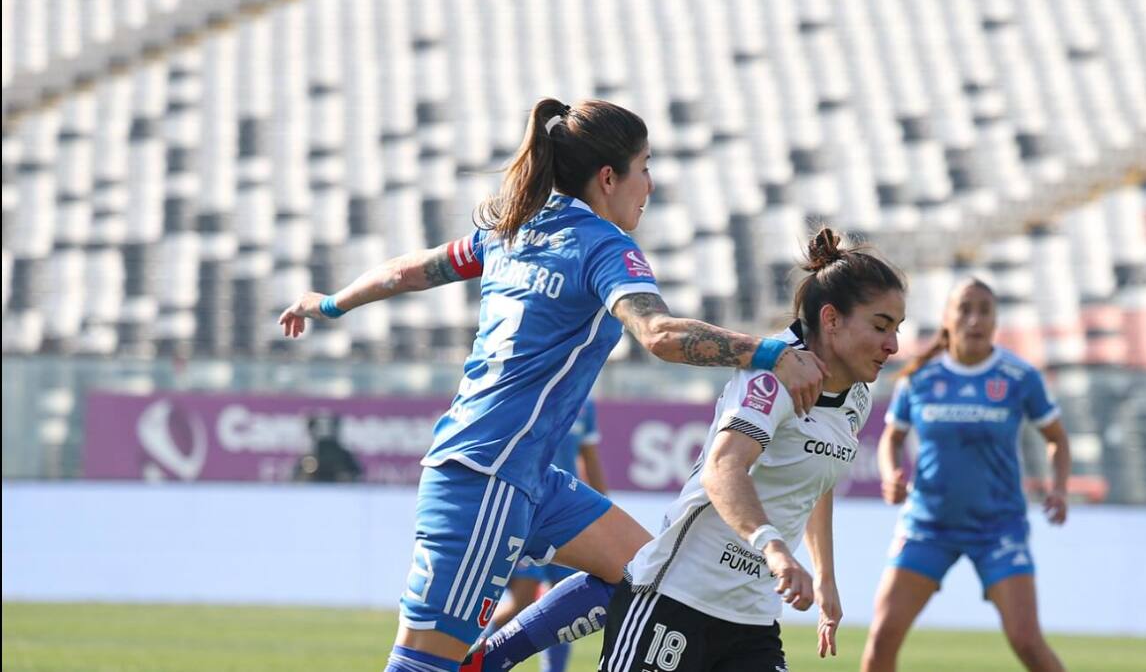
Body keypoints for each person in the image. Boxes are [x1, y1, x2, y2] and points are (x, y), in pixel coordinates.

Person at [278, 98, 827, 672]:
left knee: (652, 579)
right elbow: (660, 335)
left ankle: (485, 663)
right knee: (419, 666)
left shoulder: (513, 227)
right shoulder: (603, 246)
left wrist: (333, 303)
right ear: (608, 177)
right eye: (645, 167)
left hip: (529, 476)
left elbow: (407, 271)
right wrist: (770, 353)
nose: (652, 184)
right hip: (485, 474)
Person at [595, 229, 905, 671]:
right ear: (832, 319)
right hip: (675, 598)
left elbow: (815, 478)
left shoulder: (856, 397)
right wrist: (776, 550)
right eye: (880, 326)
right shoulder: (771, 373)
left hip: (751, 620)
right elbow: (723, 470)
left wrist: (826, 579)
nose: (892, 345)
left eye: (896, 329)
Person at [860, 278, 1071, 672]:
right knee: (881, 640)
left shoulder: (1019, 377)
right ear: (946, 318)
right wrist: (891, 473)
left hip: (998, 528)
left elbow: (1057, 439)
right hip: (928, 525)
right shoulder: (919, 378)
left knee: (1027, 641)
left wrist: (1058, 489)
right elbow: (892, 437)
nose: (974, 319)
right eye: (965, 309)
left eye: (984, 310)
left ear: (995, 321)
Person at [482, 397, 606, 672]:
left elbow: (589, 457)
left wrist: (605, 509)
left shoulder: (585, 403)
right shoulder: (534, 388)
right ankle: (479, 655)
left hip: (566, 514)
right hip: (524, 508)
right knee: (524, 597)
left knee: (564, 603)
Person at [292, 411, 362, 483]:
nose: (324, 433)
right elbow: (296, 481)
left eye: (328, 428)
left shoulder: (344, 457)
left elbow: (358, 477)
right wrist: (306, 476)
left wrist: (346, 476)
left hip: (339, 492)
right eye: (320, 429)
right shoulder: (309, 458)